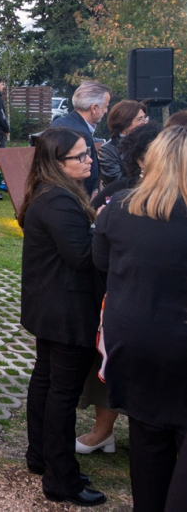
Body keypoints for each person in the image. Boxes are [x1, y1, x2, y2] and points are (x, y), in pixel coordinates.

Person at [94, 126, 187, 512]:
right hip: (176, 345)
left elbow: (101, 263)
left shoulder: (118, 207)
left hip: (132, 341)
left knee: (148, 436)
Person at [18, 127, 107, 508]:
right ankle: (60, 478)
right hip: (66, 311)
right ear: (57, 162)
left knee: (47, 382)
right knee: (60, 393)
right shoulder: (59, 202)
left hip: (51, 305)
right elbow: (83, 257)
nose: (89, 160)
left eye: (89, 153)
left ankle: (41, 456)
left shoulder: (52, 195)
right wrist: (103, 228)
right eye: (81, 156)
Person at [78, 122, 160, 457]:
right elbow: (96, 244)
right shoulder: (120, 194)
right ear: (141, 159)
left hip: (163, 306)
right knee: (108, 366)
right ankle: (103, 430)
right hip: (120, 297)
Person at [50, 80, 112, 197]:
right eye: (106, 106)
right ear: (94, 108)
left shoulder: (59, 122)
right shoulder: (80, 134)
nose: (106, 111)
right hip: (72, 199)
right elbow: (87, 177)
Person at [96, 100, 146, 186]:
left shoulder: (148, 144)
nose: (145, 122)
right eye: (139, 119)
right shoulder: (108, 150)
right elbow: (116, 182)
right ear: (124, 122)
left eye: (145, 118)